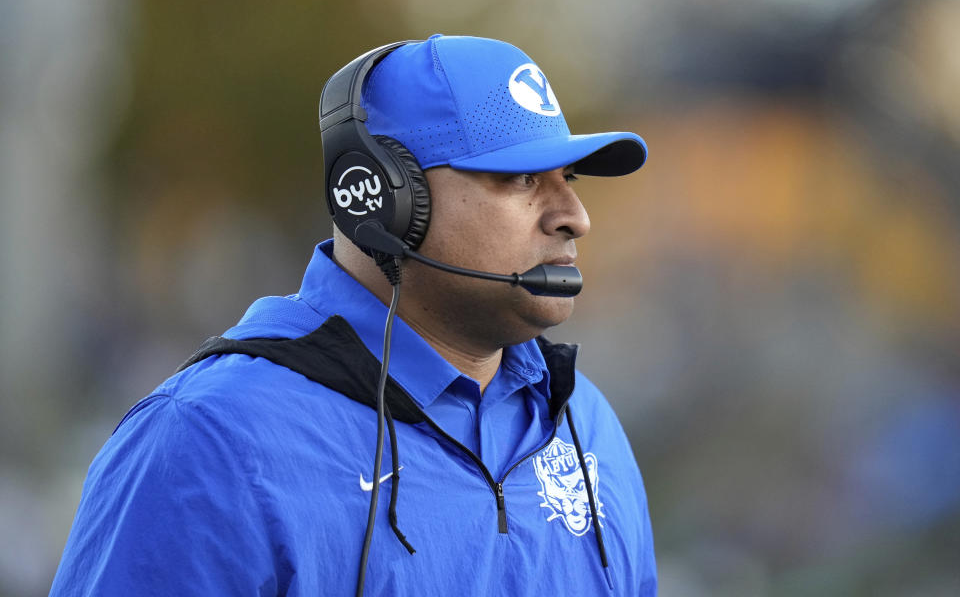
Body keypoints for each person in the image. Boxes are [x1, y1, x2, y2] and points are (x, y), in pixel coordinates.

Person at [50, 34, 657, 596]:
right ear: (385, 197)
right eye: (521, 176)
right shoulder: (210, 439)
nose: (575, 215)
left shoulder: (585, 424)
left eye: (569, 177)